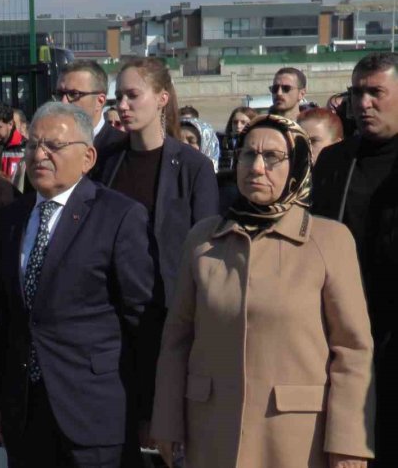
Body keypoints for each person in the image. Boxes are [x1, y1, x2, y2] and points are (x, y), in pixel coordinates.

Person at [152, 114, 375, 468]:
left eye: (272, 157)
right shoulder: (204, 239)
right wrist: (166, 421)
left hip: (296, 438)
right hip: (212, 433)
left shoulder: (329, 241)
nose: (256, 167)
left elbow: (352, 350)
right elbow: (177, 338)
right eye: (247, 155)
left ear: (298, 165)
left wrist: (349, 443)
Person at [0, 102, 154, 467]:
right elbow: (7, 317)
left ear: (88, 157)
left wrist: (147, 408)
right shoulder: (11, 218)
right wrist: (3, 402)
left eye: (54, 146)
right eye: (32, 145)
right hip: (25, 414)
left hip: (94, 415)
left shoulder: (118, 215)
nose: (39, 155)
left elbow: (141, 318)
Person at [94, 57, 218, 465]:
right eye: (119, 97)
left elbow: (206, 250)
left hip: (167, 317)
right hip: (110, 319)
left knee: (165, 437)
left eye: (133, 95)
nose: (123, 106)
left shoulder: (193, 167)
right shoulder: (105, 161)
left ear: (162, 98)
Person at [312, 52, 398, 468]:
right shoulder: (335, 161)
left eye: (375, 92)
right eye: (357, 93)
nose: (363, 103)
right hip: (342, 337)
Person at [55, 60, 126, 167]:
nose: (63, 102)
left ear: (100, 101)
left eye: (74, 94)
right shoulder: (49, 145)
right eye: (60, 94)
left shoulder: (122, 148)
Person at [219, 106, 257, 171]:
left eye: (243, 122)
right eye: (235, 122)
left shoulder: (257, 144)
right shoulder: (222, 142)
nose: (238, 126)